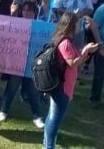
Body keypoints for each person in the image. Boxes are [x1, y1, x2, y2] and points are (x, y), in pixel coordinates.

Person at [43, 12, 100, 149]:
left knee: (52, 116)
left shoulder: (60, 38)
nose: (79, 26)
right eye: (77, 23)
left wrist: (83, 52)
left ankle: (47, 143)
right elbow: (73, 63)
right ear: (71, 25)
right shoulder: (66, 42)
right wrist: (86, 50)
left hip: (59, 84)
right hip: (62, 87)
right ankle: (49, 146)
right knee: (55, 118)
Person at [0, 1, 45, 129]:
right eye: (25, 10)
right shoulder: (16, 23)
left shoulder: (41, 25)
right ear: (21, 11)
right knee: (12, 87)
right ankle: (4, 111)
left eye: (30, 10)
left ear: (35, 13)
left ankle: (37, 116)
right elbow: (4, 30)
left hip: (32, 64)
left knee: (33, 91)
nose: (27, 13)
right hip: (16, 62)